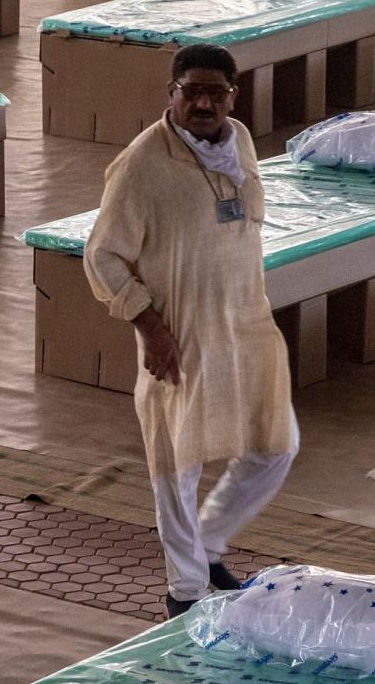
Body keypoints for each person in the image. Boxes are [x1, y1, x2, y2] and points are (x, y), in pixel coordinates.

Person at [81, 44, 298, 617]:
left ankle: (208, 542)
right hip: (179, 336)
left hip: (246, 324)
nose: (202, 102)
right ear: (170, 93)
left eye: (215, 93)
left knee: (276, 445)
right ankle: (185, 592)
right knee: (178, 467)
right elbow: (101, 257)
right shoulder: (141, 165)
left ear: (234, 95)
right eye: (190, 91)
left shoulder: (240, 141)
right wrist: (149, 325)